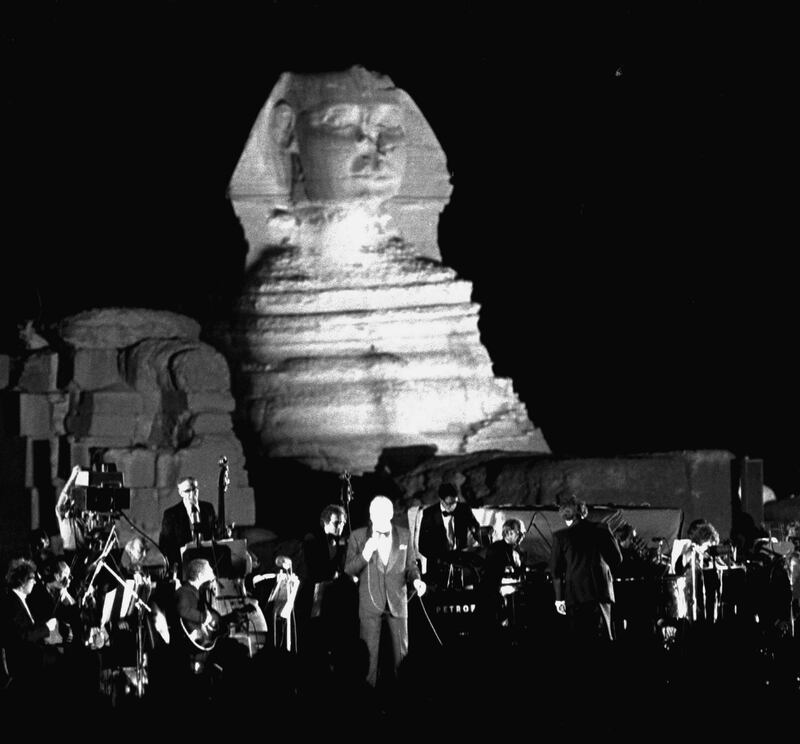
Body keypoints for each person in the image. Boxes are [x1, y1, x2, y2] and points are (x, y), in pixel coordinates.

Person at [344, 495, 426, 688]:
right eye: (373, 514)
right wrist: (364, 554)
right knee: (369, 661)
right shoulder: (358, 536)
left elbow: (411, 566)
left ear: (390, 514)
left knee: (402, 658)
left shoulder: (405, 535)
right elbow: (348, 569)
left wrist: (417, 581)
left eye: (380, 514)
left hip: (398, 603)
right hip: (370, 605)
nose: (375, 518)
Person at [549, 495, 623, 644]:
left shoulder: (560, 537)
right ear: (584, 511)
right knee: (603, 642)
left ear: (565, 515)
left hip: (575, 597)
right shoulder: (602, 529)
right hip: (600, 595)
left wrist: (559, 599)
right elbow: (617, 559)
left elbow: (556, 571)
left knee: (580, 645)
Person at [299, 505, 357, 653]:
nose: (341, 527)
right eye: (336, 523)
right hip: (315, 594)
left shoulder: (341, 542)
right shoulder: (312, 539)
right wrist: (341, 552)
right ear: (325, 522)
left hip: (334, 595)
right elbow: (320, 570)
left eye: (343, 523)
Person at [0, 558, 59, 693]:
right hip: (22, 660)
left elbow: (27, 628)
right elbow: (22, 637)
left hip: (26, 653)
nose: (35, 581)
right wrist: (46, 629)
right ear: (22, 581)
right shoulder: (12, 604)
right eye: (31, 578)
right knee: (60, 660)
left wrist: (44, 628)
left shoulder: (18, 599)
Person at [418, 482, 480, 588]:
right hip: (438, 566)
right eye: (449, 504)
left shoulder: (464, 509)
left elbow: (476, 528)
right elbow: (422, 545)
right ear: (441, 500)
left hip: (461, 563)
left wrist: (473, 532)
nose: (452, 507)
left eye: (455, 503)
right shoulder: (429, 514)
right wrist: (440, 558)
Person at [158, 477, 218, 579]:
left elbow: (215, 533)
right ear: (181, 493)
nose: (192, 493)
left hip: (208, 565)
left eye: (194, 489)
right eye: (187, 491)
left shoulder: (208, 508)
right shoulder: (171, 514)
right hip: (184, 568)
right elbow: (165, 544)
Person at [476, 518, 526, 635]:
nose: (522, 537)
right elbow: (491, 582)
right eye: (520, 534)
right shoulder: (496, 549)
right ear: (510, 533)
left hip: (500, 597)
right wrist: (502, 613)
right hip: (493, 601)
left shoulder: (512, 549)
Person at [55, 465, 87, 561]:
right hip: (68, 555)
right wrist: (72, 476)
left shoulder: (82, 516)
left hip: (83, 554)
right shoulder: (62, 516)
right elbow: (63, 496)